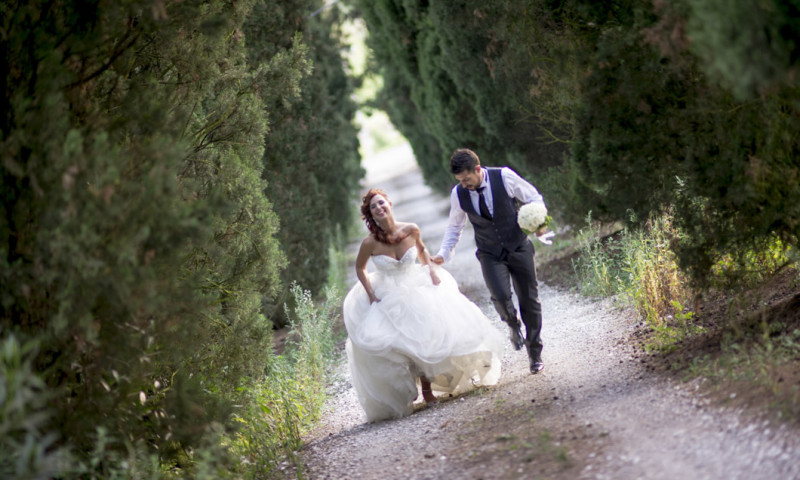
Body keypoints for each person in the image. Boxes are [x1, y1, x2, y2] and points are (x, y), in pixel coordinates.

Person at [343, 188, 504, 422]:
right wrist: (370, 293)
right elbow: (360, 268)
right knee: (392, 340)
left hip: (414, 282)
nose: (379, 208)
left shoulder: (411, 229)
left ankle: (428, 390)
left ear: (389, 203)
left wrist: (431, 271)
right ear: (371, 215)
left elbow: (420, 250)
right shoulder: (370, 243)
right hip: (388, 292)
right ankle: (409, 389)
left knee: (428, 331)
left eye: (381, 203)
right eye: (373, 208)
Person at [431, 148, 547, 375]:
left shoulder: (503, 176)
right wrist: (444, 253)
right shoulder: (459, 194)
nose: (464, 184)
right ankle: (513, 325)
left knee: (530, 301)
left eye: (466, 179)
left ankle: (535, 354)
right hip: (489, 253)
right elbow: (455, 226)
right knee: (501, 296)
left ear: (477, 169)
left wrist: (538, 222)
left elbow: (533, 197)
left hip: (519, 247)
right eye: (460, 181)